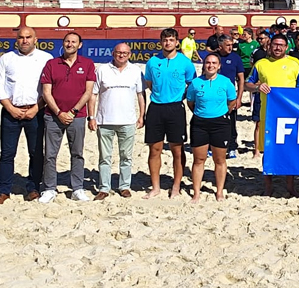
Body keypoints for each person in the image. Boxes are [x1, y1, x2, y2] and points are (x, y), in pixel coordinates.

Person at [0, 25, 53, 205]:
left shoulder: (46, 58)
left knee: (36, 153)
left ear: (35, 40)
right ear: (16, 40)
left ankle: (33, 188)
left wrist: (36, 108)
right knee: (7, 153)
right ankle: (4, 191)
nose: (24, 40)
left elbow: (49, 88)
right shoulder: (6, 59)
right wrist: (10, 108)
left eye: (28, 37)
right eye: (21, 37)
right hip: (11, 111)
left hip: (36, 112)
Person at [38, 32, 96, 203]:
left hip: (77, 116)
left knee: (77, 153)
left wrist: (73, 111)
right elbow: (46, 92)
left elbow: (88, 92)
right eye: (67, 41)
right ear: (63, 43)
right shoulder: (51, 64)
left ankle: (77, 188)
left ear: (80, 45)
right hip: (53, 116)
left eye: (73, 42)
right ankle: (49, 188)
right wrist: (59, 112)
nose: (70, 44)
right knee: (50, 154)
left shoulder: (87, 64)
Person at [247, 34, 299, 196]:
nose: (278, 47)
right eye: (275, 44)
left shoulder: (295, 64)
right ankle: (268, 186)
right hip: (268, 114)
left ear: (286, 47)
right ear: (269, 46)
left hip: (289, 115)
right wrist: (257, 87)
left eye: (281, 45)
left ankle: (290, 186)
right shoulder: (261, 64)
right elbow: (247, 84)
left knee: (290, 150)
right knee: (268, 151)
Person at [143, 28, 196, 199]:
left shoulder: (185, 62)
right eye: (165, 40)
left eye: (171, 40)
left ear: (177, 42)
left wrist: (180, 95)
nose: (168, 43)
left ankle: (176, 186)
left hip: (175, 108)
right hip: (156, 107)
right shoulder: (152, 62)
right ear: (161, 42)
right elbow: (150, 83)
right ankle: (155, 187)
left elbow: (192, 84)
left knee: (177, 150)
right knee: (155, 149)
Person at [89, 43, 145, 200]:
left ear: (130, 54)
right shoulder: (102, 69)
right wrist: (91, 117)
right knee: (104, 157)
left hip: (128, 121)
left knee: (126, 156)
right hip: (105, 121)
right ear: (113, 53)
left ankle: (124, 186)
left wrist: (142, 115)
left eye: (125, 53)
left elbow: (140, 95)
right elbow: (93, 95)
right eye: (119, 52)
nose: (121, 55)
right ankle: (104, 188)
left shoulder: (135, 71)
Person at [187, 53, 239, 201]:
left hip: (220, 124)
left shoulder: (225, 82)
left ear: (219, 66)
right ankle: (196, 192)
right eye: (208, 63)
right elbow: (190, 102)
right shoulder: (195, 83)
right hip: (200, 123)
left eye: (214, 63)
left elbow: (232, 101)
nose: (211, 65)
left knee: (219, 159)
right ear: (204, 65)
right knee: (199, 159)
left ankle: (219, 191)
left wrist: (222, 113)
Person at [214, 35, 244, 158]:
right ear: (220, 46)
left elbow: (241, 79)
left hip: (230, 97)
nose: (230, 47)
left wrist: (239, 98)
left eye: (231, 45)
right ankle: (212, 146)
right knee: (214, 122)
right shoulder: (214, 58)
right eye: (228, 45)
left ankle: (232, 147)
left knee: (231, 123)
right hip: (214, 96)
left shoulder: (236, 58)